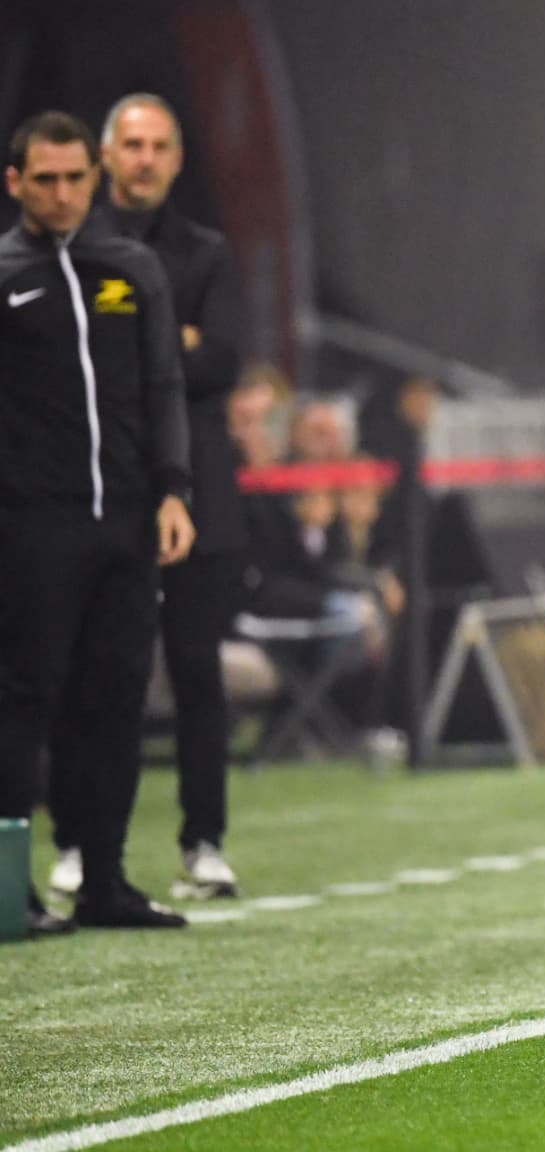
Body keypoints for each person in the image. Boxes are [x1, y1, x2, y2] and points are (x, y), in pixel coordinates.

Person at [46, 94, 244, 902]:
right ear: (105, 156)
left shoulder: (206, 252)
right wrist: (170, 343)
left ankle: (204, 841)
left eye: (160, 145)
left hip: (199, 496)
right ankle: (76, 839)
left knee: (198, 670)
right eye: (132, 145)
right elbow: (67, 363)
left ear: (178, 157)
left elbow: (222, 361)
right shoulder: (67, 247)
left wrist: (131, 347)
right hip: (99, 492)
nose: (146, 158)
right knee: (88, 675)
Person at [0, 111, 194, 932]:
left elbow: (163, 389)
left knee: (116, 700)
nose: (63, 193)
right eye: (45, 179)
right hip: (30, 527)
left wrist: (174, 491)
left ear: (95, 175)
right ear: (15, 183)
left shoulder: (133, 266)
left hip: (125, 523)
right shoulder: (5, 271)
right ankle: (14, 889)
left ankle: (105, 882)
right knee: (24, 703)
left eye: (76, 177)